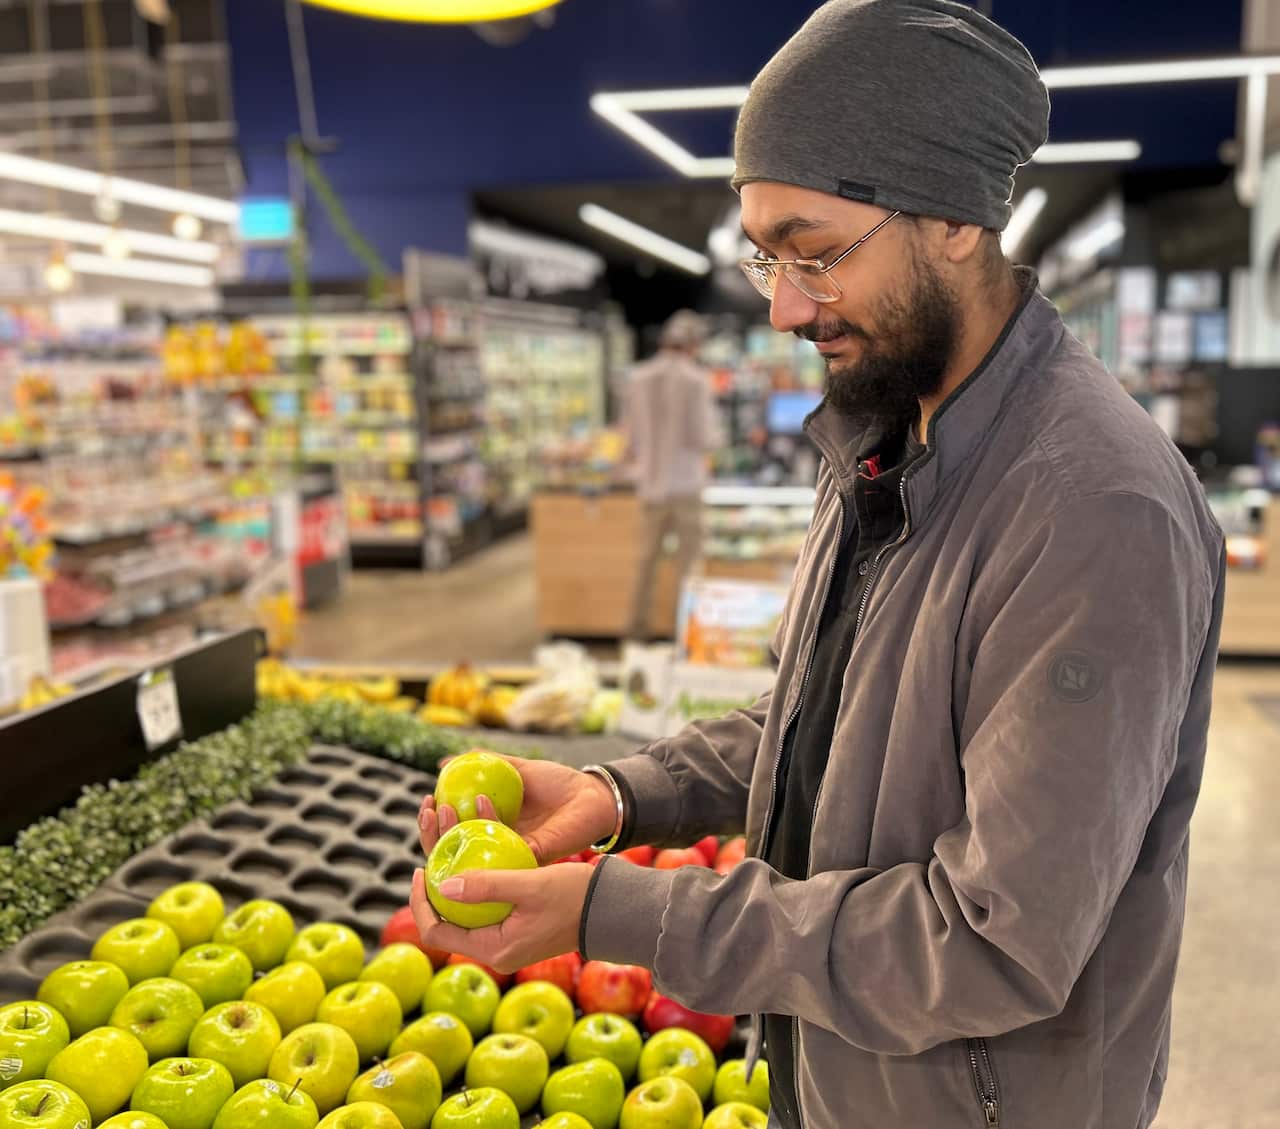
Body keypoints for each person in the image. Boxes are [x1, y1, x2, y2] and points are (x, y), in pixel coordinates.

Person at [410, 2, 1226, 1126]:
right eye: (764, 256)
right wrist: (618, 793)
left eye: (815, 251)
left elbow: (992, 943)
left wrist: (624, 915)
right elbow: (829, 717)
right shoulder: (894, 428)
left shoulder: (1090, 509)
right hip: (851, 1072)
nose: (786, 304)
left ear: (951, 219)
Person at [621, 309, 720, 640]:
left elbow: (630, 439)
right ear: (693, 344)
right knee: (689, 567)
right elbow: (704, 437)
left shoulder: (638, 376)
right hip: (686, 485)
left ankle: (635, 636)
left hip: (650, 486)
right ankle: (686, 638)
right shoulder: (696, 380)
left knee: (644, 565)